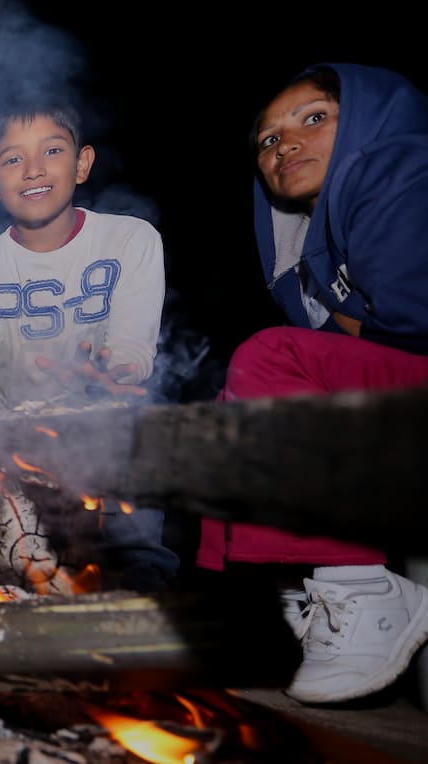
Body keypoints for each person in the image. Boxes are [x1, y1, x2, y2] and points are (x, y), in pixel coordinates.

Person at [196, 63, 428, 704]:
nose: (285, 143)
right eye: (268, 140)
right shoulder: (311, 252)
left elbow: (413, 326)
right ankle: (307, 586)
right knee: (229, 414)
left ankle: (362, 591)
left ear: (365, 121)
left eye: (314, 118)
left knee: (270, 358)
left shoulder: (403, 172)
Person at [0, 98, 180, 593]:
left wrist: (115, 370)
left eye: (52, 151)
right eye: (13, 159)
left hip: (113, 440)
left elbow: (133, 350)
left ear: (82, 163)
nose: (34, 169)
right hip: (17, 455)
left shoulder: (131, 240)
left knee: (139, 577)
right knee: (23, 592)